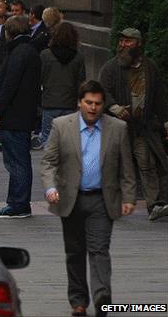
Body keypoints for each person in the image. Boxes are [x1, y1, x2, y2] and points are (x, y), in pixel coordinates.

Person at [41, 80, 136, 317]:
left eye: (98, 104)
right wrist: (50, 187)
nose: (93, 108)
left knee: (99, 249)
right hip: (70, 198)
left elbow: (126, 167)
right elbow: (49, 162)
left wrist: (129, 197)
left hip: (102, 199)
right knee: (74, 251)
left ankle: (103, 298)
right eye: (88, 103)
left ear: (103, 105)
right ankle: (78, 301)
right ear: (79, 103)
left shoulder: (117, 128)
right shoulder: (62, 125)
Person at [99, 27, 168, 221]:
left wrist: (167, 122)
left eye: (128, 41)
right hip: (118, 128)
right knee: (114, 166)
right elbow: (102, 91)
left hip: (141, 128)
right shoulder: (111, 67)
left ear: (138, 44)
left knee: (147, 164)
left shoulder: (150, 68)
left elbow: (158, 97)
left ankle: (154, 204)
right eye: (121, 40)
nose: (123, 44)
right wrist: (113, 107)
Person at [0, 15, 41, 218]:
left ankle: (18, 203)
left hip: (14, 116)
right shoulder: (31, 51)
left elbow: (8, 85)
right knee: (21, 160)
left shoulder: (18, 53)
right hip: (25, 114)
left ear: (9, 33)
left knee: (16, 162)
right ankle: (19, 202)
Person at [37, 22, 85, 150]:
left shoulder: (45, 55)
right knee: (69, 141)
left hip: (49, 102)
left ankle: (51, 167)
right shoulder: (78, 57)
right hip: (69, 103)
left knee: (48, 140)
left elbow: (39, 78)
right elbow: (81, 82)